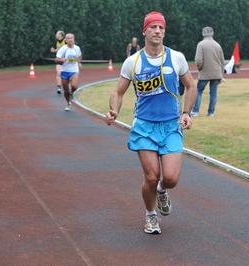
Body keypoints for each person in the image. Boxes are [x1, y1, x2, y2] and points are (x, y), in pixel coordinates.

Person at [104, 11, 196, 235]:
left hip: (171, 126)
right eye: (153, 27)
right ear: (144, 31)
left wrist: (186, 112)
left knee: (171, 178)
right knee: (152, 176)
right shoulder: (132, 62)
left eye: (161, 28)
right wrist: (114, 110)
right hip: (144, 127)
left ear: (164, 31)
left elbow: (191, 86)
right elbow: (118, 91)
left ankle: (163, 192)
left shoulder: (176, 58)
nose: (157, 31)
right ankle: (150, 216)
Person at [191, 27, 225, 117]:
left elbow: (198, 60)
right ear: (212, 34)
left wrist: (200, 68)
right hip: (217, 73)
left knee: (198, 91)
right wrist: (221, 74)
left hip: (205, 73)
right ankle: (211, 112)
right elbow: (222, 61)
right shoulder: (218, 45)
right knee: (213, 93)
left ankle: (195, 111)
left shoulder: (201, 44)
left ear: (203, 34)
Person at [55, 33, 82, 111]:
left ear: (74, 39)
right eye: (68, 38)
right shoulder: (63, 49)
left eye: (71, 38)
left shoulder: (77, 48)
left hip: (74, 70)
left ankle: (72, 92)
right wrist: (61, 59)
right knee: (66, 90)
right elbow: (56, 59)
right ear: (66, 40)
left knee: (74, 86)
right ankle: (68, 103)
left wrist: (79, 62)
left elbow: (80, 56)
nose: (70, 40)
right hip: (65, 71)